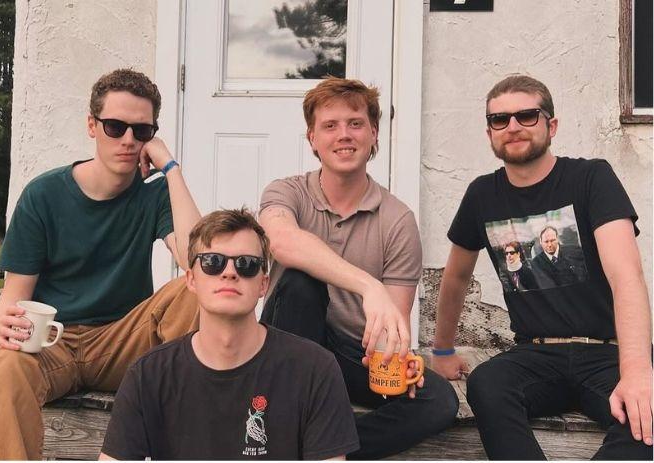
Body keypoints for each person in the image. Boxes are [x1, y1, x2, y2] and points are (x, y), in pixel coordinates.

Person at [0, 68, 202, 460]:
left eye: (141, 131)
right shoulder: (44, 195)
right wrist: (9, 324)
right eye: (115, 126)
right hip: (52, 342)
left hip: (122, 341)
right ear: (92, 126)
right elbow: (15, 299)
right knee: (3, 371)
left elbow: (196, 260)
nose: (129, 140)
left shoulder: (154, 194)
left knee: (197, 286)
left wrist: (172, 169)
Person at [431, 74, 652, 460]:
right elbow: (455, 278)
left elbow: (626, 277)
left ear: (551, 125)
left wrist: (636, 372)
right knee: (487, 382)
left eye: (526, 115)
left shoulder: (591, 177)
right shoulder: (482, 194)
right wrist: (443, 348)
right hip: (535, 357)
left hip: (607, 354)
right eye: (499, 119)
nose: (512, 126)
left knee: (646, 417)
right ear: (489, 134)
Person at [258, 77, 459, 460]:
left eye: (354, 123)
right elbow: (281, 240)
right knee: (301, 283)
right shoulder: (287, 192)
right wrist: (369, 286)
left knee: (437, 401)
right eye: (329, 126)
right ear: (312, 139)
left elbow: (391, 324)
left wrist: (394, 360)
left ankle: (320, 447)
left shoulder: (398, 219)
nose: (343, 136)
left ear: (374, 133)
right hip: (288, 345)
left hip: (354, 356)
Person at [99, 208, 359, 460]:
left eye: (246, 264)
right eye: (213, 262)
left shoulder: (315, 370)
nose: (229, 272)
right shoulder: (148, 375)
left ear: (263, 284)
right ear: (190, 279)